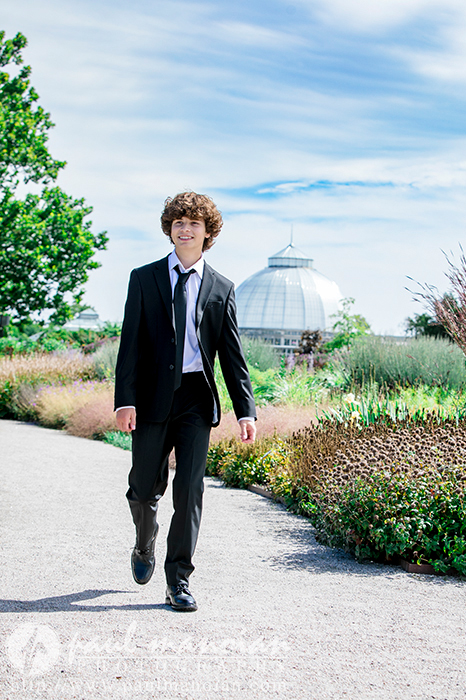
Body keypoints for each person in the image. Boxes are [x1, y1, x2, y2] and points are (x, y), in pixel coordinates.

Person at [114, 191, 257, 612]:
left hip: (197, 396)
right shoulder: (144, 278)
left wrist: (244, 409)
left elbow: (232, 356)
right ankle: (145, 543)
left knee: (189, 491)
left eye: (194, 222)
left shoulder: (222, 287)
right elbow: (130, 345)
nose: (185, 227)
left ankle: (178, 580)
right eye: (178, 221)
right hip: (152, 397)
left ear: (207, 232)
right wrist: (125, 400)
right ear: (169, 229)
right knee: (142, 489)